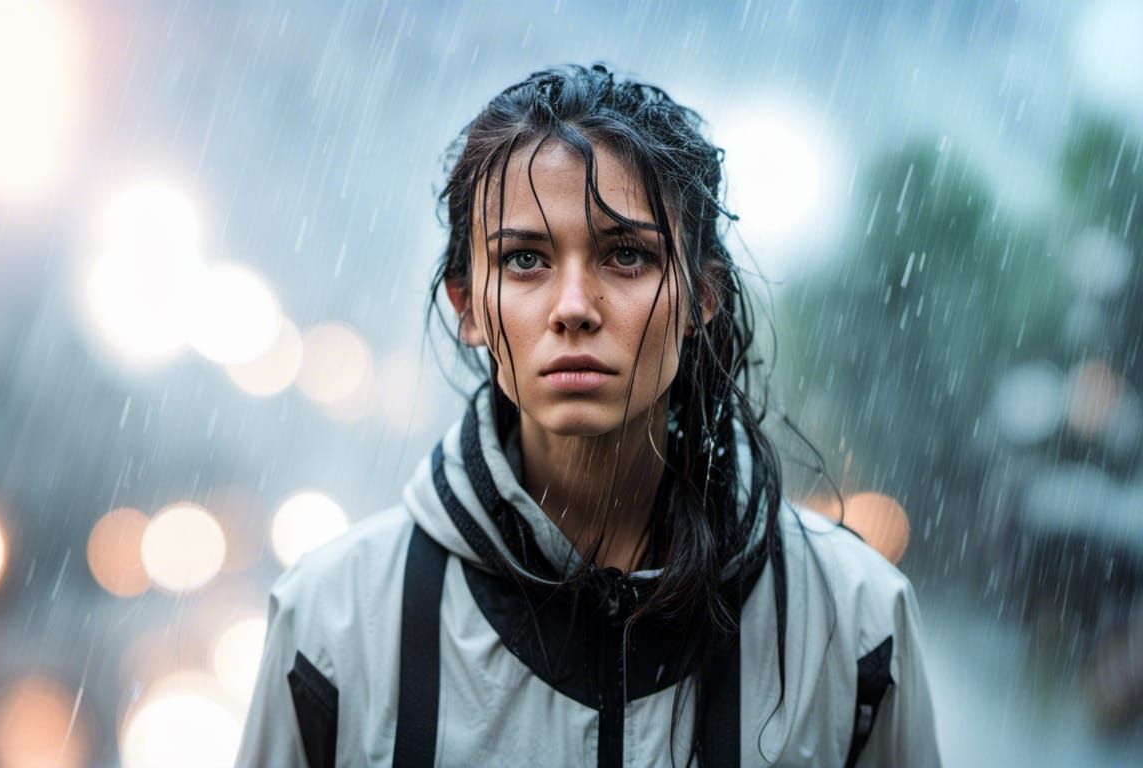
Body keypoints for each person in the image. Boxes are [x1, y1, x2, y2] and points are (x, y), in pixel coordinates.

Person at [237, 64, 939, 767]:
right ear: (467, 306)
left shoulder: (856, 621)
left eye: (626, 254)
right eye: (524, 260)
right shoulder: (332, 626)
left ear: (703, 296)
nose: (574, 306)